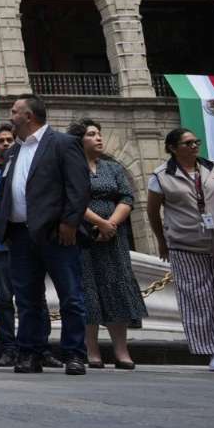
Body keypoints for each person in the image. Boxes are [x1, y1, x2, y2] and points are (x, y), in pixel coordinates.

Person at [145, 127, 214, 373]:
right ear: (173, 148)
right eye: (188, 143)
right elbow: (153, 211)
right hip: (185, 243)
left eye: (196, 142)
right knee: (197, 296)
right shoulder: (161, 175)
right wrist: (162, 240)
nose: (195, 146)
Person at [0, 94, 91, 375]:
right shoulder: (13, 151)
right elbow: (6, 189)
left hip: (55, 233)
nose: (10, 116)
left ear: (29, 116)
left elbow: (79, 186)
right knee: (26, 299)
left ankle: (74, 353)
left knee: (70, 295)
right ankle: (30, 353)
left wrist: (70, 222)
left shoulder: (63, 143)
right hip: (20, 235)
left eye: (14, 111)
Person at [65, 119, 146, 369]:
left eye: (99, 134)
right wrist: (99, 223)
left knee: (116, 286)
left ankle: (121, 351)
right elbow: (69, 198)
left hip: (114, 238)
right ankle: (92, 349)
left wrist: (111, 224)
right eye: (92, 134)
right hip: (83, 235)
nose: (99, 138)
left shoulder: (113, 168)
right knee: (87, 288)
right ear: (80, 140)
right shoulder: (70, 168)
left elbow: (126, 196)